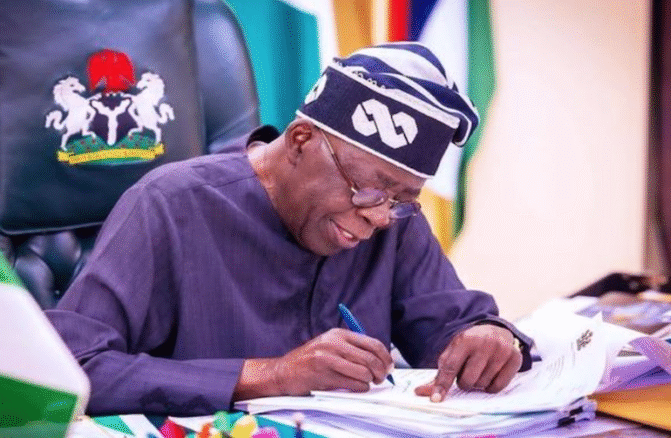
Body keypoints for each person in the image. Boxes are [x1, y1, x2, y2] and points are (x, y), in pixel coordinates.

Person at [46, 42, 533, 416]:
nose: (381, 218)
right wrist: (271, 375)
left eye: (402, 200)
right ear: (301, 140)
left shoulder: (392, 219)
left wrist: (488, 337)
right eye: (369, 191)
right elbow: (70, 369)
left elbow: (450, 324)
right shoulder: (171, 205)